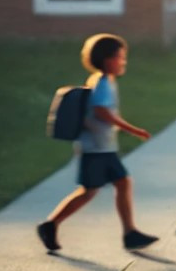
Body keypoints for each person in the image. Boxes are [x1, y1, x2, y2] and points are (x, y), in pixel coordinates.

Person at [37, 34, 158, 252]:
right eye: (120, 57)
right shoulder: (102, 83)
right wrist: (132, 129)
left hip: (102, 147)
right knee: (90, 190)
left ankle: (130, 233)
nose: (123, 62)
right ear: (106, 59)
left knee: (121, 183)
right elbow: (102, 111)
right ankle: (51, 224)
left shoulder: (102, 81)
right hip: (95, 149)